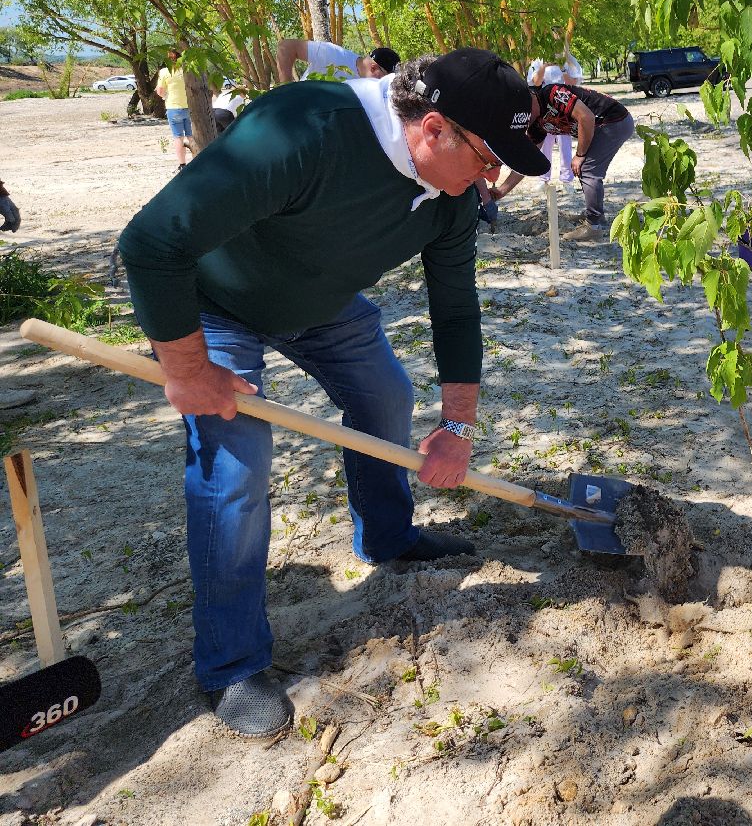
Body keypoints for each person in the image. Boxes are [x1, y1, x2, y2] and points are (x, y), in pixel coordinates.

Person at [117, 48, 549, 738]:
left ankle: (387, 535)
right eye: (486, 157)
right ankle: (230, 666)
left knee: (385, 397)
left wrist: (458, 427)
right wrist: (189, 369)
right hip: (214, 303)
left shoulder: (452, 197)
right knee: (235, 466)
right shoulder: (303, 129)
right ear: (434, 129)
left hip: (319, 301)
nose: (491, 177)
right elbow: (150, 242)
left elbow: (457, 307)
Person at [488, 78, 635, 242]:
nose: (525, 119)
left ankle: (594, 226)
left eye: (525, 112)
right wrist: (502, 190)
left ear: (531, 96)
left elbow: (586, 117)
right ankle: (597, 218)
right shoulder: (536, 124)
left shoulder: (552, 94)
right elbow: (527, 159)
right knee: (585, 167)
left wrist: (579, 155)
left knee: (586, 168)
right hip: (599, 126)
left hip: (614, 120)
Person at [275, 39, 400, 83]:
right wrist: (286, 89)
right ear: (374, 68)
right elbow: (286, 46)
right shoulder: (333, 54)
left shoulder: (367, 90)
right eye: (384, 79)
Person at [537, 64, 576, 189]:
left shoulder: (567, 61)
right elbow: (535, 82)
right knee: (544, 146)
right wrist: (543, 66)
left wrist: (562, 67)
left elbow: (573, 83)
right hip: (544, 107)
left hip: (563, 108)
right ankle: (543, 179)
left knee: (565, 146)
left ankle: (567, 180)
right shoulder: (538, 61)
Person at [155, 48, 195, 169]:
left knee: (178, 137)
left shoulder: (164, 72)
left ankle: (182, 164)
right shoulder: (188, 70)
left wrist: (164, 95)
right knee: (191, 136)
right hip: (189, 107)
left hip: (173, 108)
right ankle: (197, 160)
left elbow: (160, 91)